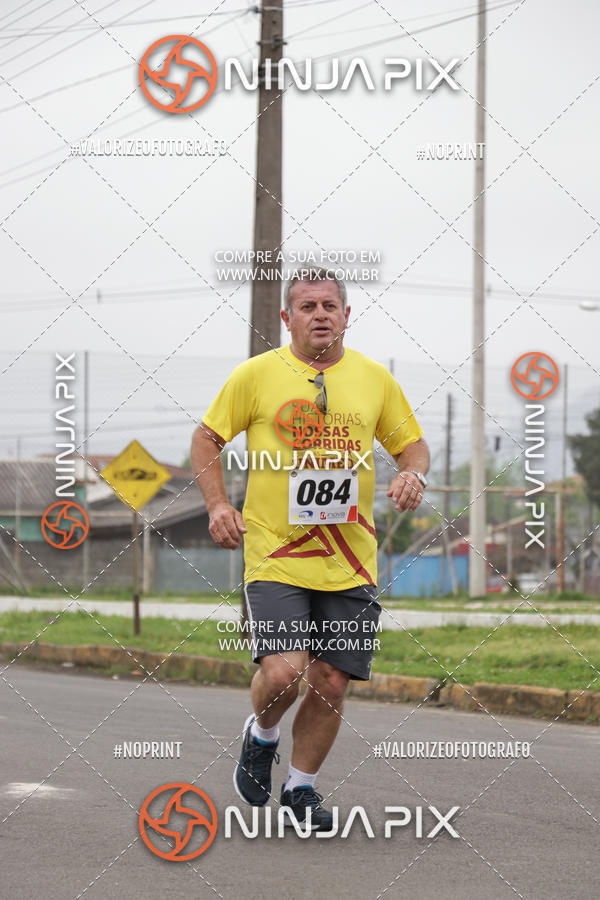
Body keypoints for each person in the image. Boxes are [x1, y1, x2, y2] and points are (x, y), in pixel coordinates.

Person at [191, 266, 429, 830]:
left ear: (346, 315)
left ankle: (301, 789)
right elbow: (207, 437)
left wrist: (413, 474)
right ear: (287, 318)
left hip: (350, 560)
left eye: (329, 306)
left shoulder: (374, 379)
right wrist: (218, 505)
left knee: (331, 681)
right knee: (283, 674)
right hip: (276, 554)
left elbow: (413, 445)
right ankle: (262, 734)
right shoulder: (255, 376)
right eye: (307, 306)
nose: (320, 315)